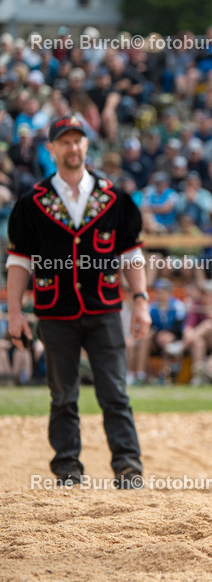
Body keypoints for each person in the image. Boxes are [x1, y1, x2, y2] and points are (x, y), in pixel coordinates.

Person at [5, 115, 151, 487]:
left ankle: (128, 467)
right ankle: (67, 469)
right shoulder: (33, 202)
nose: (73, 147)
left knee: (115, 392)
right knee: (62, 395)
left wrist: (142, 300)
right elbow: (20, 259)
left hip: (104, 308)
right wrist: (15, 311)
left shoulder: (115, 198)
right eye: (64, 141)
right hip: (55, 311)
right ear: (51, 148)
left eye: (78, 140)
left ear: (87, 145)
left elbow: (132, 254)